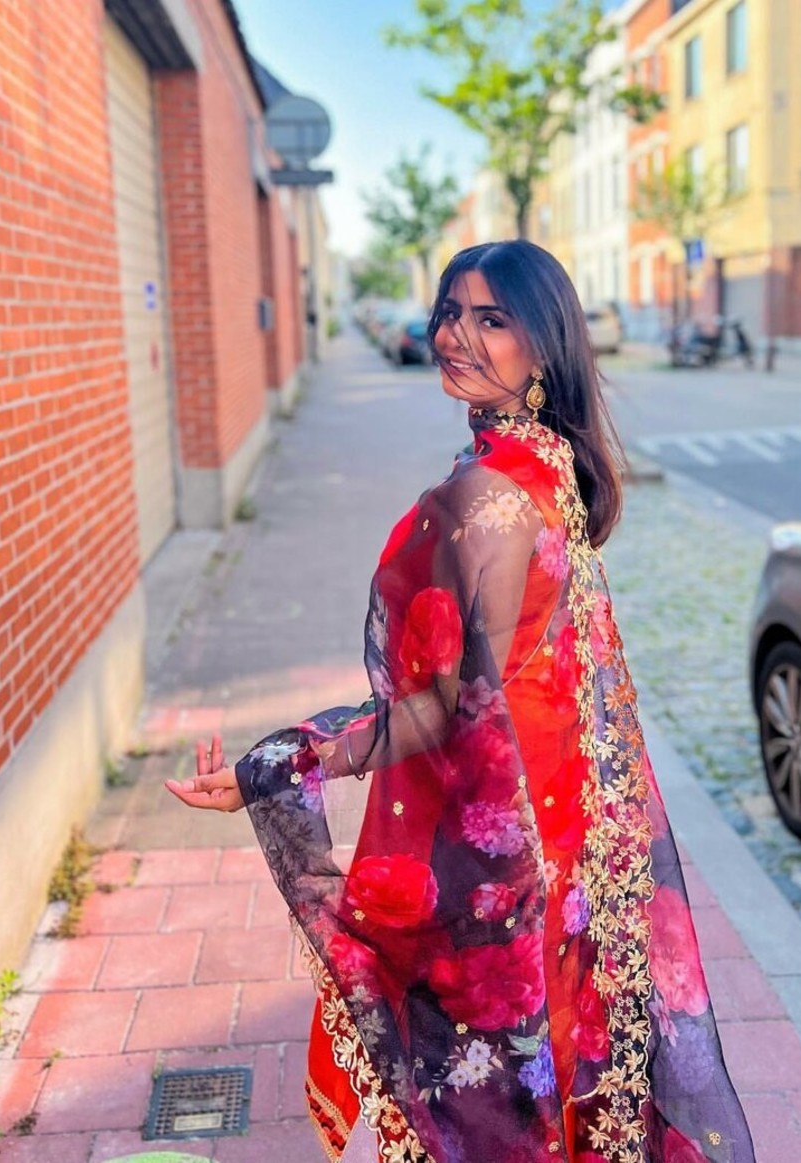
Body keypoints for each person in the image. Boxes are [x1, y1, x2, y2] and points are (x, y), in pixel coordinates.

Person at [167, 240, 755, 1163]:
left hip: (507, 843)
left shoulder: (480, 498)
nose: (454, 336)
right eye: (450, 312)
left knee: (495, 1097)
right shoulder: (550, 462)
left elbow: (437, 711)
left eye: (492, 319)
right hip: (571, 828)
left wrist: (277, 766)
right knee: (566, 1062)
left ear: (544, 344)